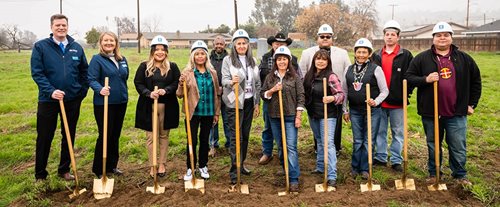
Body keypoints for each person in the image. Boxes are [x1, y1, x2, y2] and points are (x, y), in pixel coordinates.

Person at [405, 22, 481, 186]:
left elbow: (476, 81)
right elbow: (409, 77)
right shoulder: (422, 58)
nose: (442, 38)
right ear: (433, 38)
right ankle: (434, 173)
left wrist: (471, 104)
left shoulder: (464, 58)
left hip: (457, 112)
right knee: (433, 144)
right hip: (431, 112)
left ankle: (460, 175)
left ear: (451, 38)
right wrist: (426, 79)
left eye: (446, 35)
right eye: (438, 35)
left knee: (458, 145)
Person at [31, 14, 88, 181]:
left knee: (69, 134)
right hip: (48, 100)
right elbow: (37, 73)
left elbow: (84, 71)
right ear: (51, 27)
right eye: (58, 25)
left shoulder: (76, 47)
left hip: (71, 100)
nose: (61, 28)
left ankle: (64, 169)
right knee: (44, 136)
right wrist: (51, 91)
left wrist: (80, 92)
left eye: (64, 25)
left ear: (67, 27)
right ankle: (40, 174)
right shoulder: (41, 47)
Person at [299, 24, 351, 155]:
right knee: (317, 125)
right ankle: (319, 149)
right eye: (322, 36)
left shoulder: (342, 53)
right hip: (315, 96)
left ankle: (335, 148)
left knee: (335, 125)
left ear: (332, 38)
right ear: (318, 38)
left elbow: (347, 74)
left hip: (334, 96)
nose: (325, 39)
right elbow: (302, 74)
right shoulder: (307, 53)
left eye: (328, 36)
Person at [134, 35, 180, 178]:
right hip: (149, 107)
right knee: (151, 138)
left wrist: (165, 90)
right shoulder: (144, 66)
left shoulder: (172, 67)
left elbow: (176, 83)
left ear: (166, 52)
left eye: (162, 50)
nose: (160, 52)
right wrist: (148, 93)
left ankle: (162, 164)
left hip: (167, 107)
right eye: (157, 49)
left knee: (163, 136)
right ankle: (152, 164)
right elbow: (138, 83)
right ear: (152, 51)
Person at [342, 38, 388, 179]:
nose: (361, 55)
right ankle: (355, 167)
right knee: (357, 140)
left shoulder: (376, 69)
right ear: (355, 53)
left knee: (369, 140)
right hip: (355, 111)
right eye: (359, 52)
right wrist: (345, 110)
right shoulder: (348, 69)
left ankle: (365, 168)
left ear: (369, 54)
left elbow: (385, 90)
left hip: (372, 111)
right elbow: (344, 91)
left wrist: (376, 101)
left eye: (364, 52)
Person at [371, 20, 414, 172]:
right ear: (384, 37)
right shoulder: (376, 55)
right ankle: (381, 157)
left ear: (398, 37)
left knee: (398, 132)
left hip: (397, 102)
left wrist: (406, 93)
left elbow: (412, 76)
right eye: (387, 34)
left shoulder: (405, 55)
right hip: (380, 102)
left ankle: (396, 159)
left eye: (393, 35)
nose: (389, 37)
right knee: (380, 131)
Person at [260, 46, 305, 192]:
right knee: (281, 146)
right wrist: (272, 90)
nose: (281, 62)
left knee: (291, 147)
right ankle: (286, 169)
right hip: (274, 117)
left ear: (288, 61)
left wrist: (298, 116)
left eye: (284, 59)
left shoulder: (295, 77)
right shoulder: (270, 77)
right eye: (279, 59)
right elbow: (263, 94)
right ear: (275, 61)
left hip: (290, 117)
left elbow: (301, 97)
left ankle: (293, 178)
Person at [221, 29, 261, 184]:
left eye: (244, 43)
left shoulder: (253, 61)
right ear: (234, 45)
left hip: (249, 102)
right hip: (234, 103)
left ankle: (241, 164)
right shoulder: (228, 60)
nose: (242, 46)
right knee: (235, 137)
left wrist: (257, 102)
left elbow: (257, 83)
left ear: (248, 45)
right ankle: (234, 170)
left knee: (245, 136)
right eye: (239, 43)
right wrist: (231, 82)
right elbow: (223, 79)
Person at [177, 40, 220, 180]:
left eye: (202, 54)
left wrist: (216, 113)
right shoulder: (187, 73)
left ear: (206, 56)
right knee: (192, 140)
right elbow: (179, 94)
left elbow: (217, 94)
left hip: (208, 111)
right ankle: (190, 168)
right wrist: (180, 83)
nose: (200, 56)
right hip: (193, 112)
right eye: (197, 54)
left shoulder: (212, 73)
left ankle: (203, 166)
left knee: (204, 140)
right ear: (193, 56)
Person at [88, 32, 129, 178]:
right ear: (101, 43)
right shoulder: (97, 59)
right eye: (106, 40)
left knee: (115, 135)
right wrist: (100, 89)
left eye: (111, 40)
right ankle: (99, 169)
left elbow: (125, 76)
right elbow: (91, 79)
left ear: (116, 43)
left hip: (120, 102)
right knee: (105, 134)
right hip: (104, 103)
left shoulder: (122, 59)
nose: (109, 43)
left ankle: (112, 165)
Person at [258, 32, 301, 165]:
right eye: (276, 43)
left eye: (282, 44)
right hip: (271, 98)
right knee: (268, 126)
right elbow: (261, 77)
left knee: (288, 134)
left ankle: (288, 159)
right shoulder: (266, 58)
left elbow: (297, 78)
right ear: (272, 44)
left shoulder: (292, 59)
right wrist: (270, 90)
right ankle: (267, 152)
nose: (279, 46)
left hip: (288, 100)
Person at [303, 49, 344, 187]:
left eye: (323, 59)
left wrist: (332, 97)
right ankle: (320, 167)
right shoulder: (309, 76)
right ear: (314, 60)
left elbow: (341, 94)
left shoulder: (331, 76)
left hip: (328, 114)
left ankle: (332, 174)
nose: (320, 61)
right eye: (318, 59)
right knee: (319, 140)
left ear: (328, 62)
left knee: (328, 143)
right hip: (313, 113)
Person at [208, 35, 230, 157]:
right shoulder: (208, 58)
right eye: (217, 44)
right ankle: (213, 145)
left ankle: (229, 144)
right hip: (212, 94)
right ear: (213, 44)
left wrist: (224, 86)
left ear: (224, 45)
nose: (219, 46)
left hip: (226, 93)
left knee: (227, 120)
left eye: (221, 44)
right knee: (213, 121)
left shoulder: (229, 58)